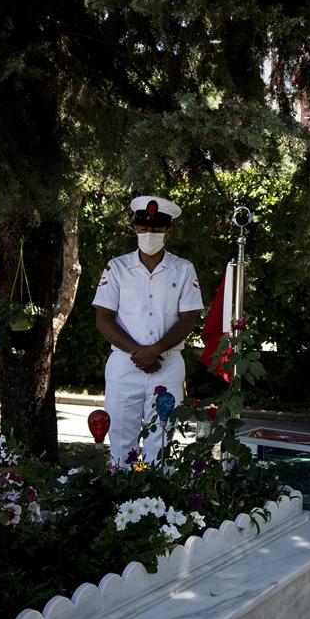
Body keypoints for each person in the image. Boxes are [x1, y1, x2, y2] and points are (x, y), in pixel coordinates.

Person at [93, 195, 203, 465]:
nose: (149, 233)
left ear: (169, 232)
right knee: (120, 440)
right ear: (135, 228)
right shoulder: (116, 267)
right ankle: (123, 501)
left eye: (156, 229)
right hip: (123, 365)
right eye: (144, 227)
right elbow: (103, 318)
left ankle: (157, 502)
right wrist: (139, 353)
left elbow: (188, 319)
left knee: (162, 441)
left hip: (167, 365)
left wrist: (155, 351)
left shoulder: (183, 269)